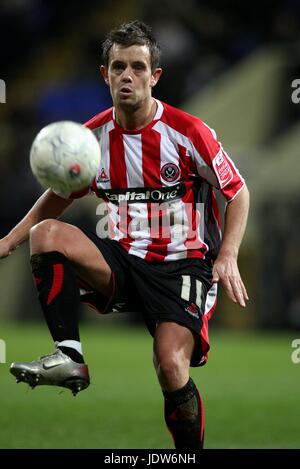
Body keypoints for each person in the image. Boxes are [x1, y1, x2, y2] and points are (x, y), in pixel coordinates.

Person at [0, 20, 249, 449]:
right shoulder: (91, 138)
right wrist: (9, 239)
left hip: (182, 265)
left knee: (170, 366)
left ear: (155, 76)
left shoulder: (188, 133)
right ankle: (70, 355)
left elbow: (238, 192)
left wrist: (227, 254)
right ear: (105, 74)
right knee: (47, 233)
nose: (127, 76)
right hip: (122, 258)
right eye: (118, 67)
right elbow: (59, 195)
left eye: (137, 67)